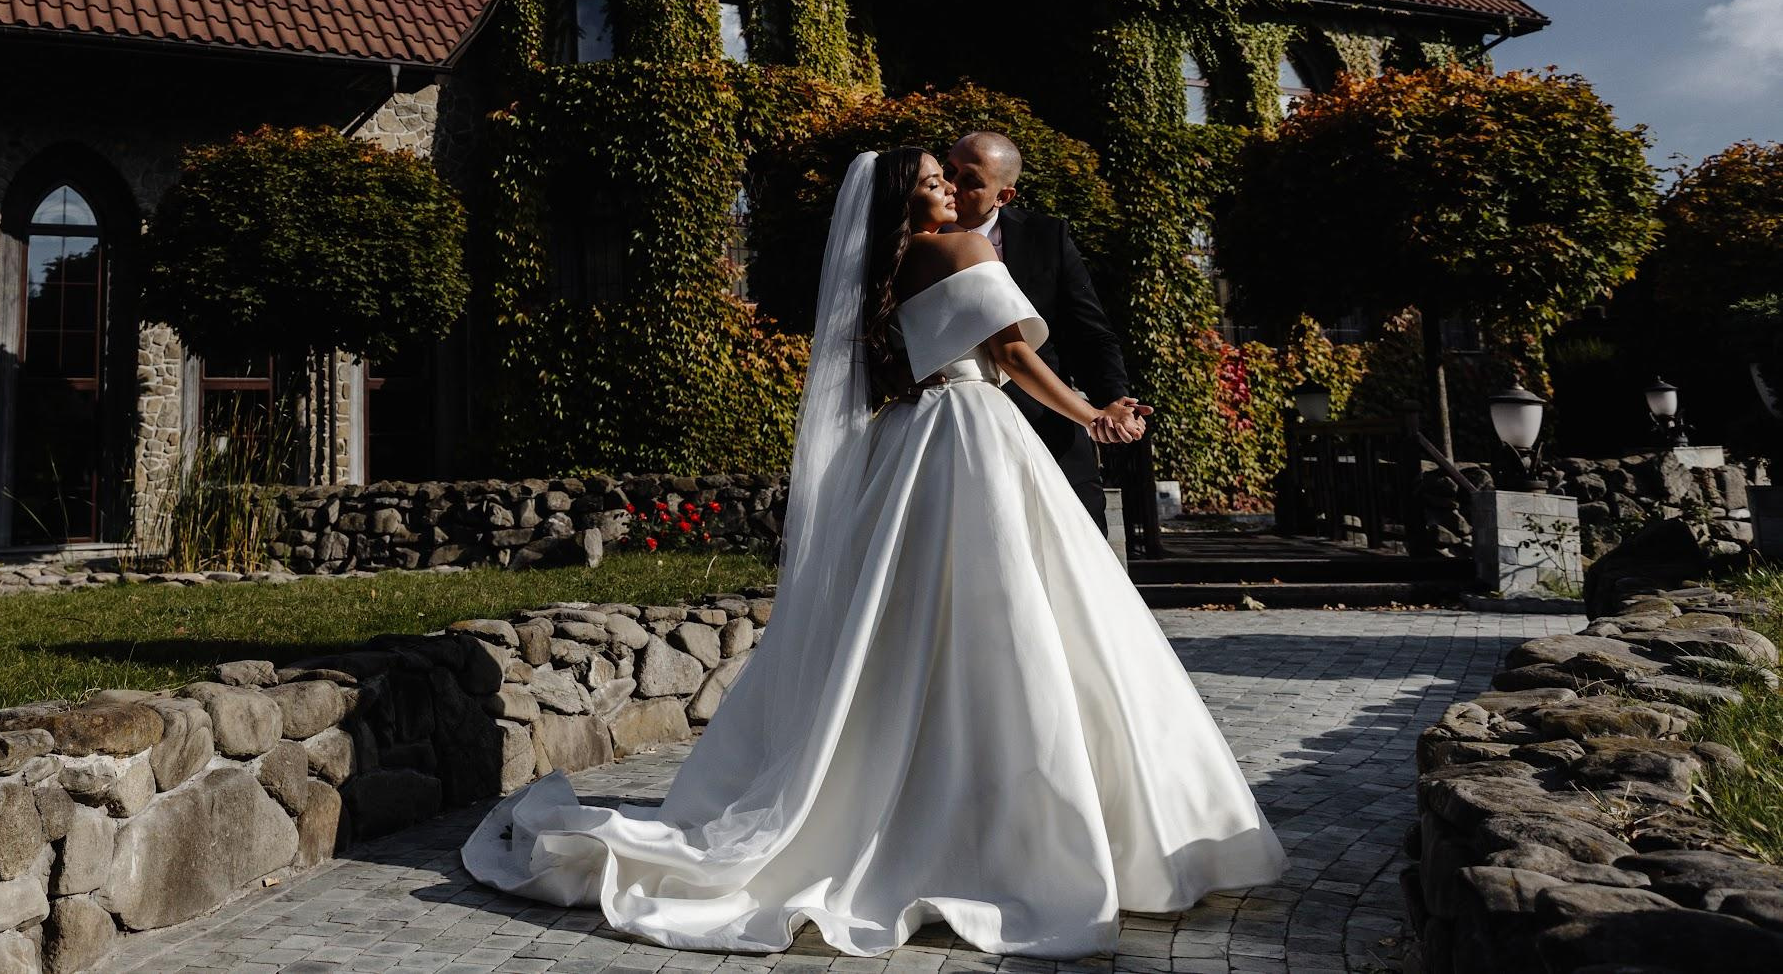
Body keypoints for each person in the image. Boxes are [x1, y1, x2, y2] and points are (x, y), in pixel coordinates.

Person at [460, 148, 1284, 959]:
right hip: (972, 437)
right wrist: (1090, 413)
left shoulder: (886, 269)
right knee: (1018, 615)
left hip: (911, 443)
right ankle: (1024, 824)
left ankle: (893, 790)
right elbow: (1013, 356)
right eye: (933, 180)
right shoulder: (962, 248)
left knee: (901, 623)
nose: (950, 190)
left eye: (954, 178)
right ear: (910, 200)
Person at [943, 130, 1134, 532]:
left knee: (1082, 545)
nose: (951, 186)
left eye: (970, 180)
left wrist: (1113, 401)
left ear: (1003, 196)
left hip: (1046, 418)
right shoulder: (909, 241)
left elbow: (1090, 333)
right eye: (949, 170)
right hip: (951, 428)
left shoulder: (1047, 236)